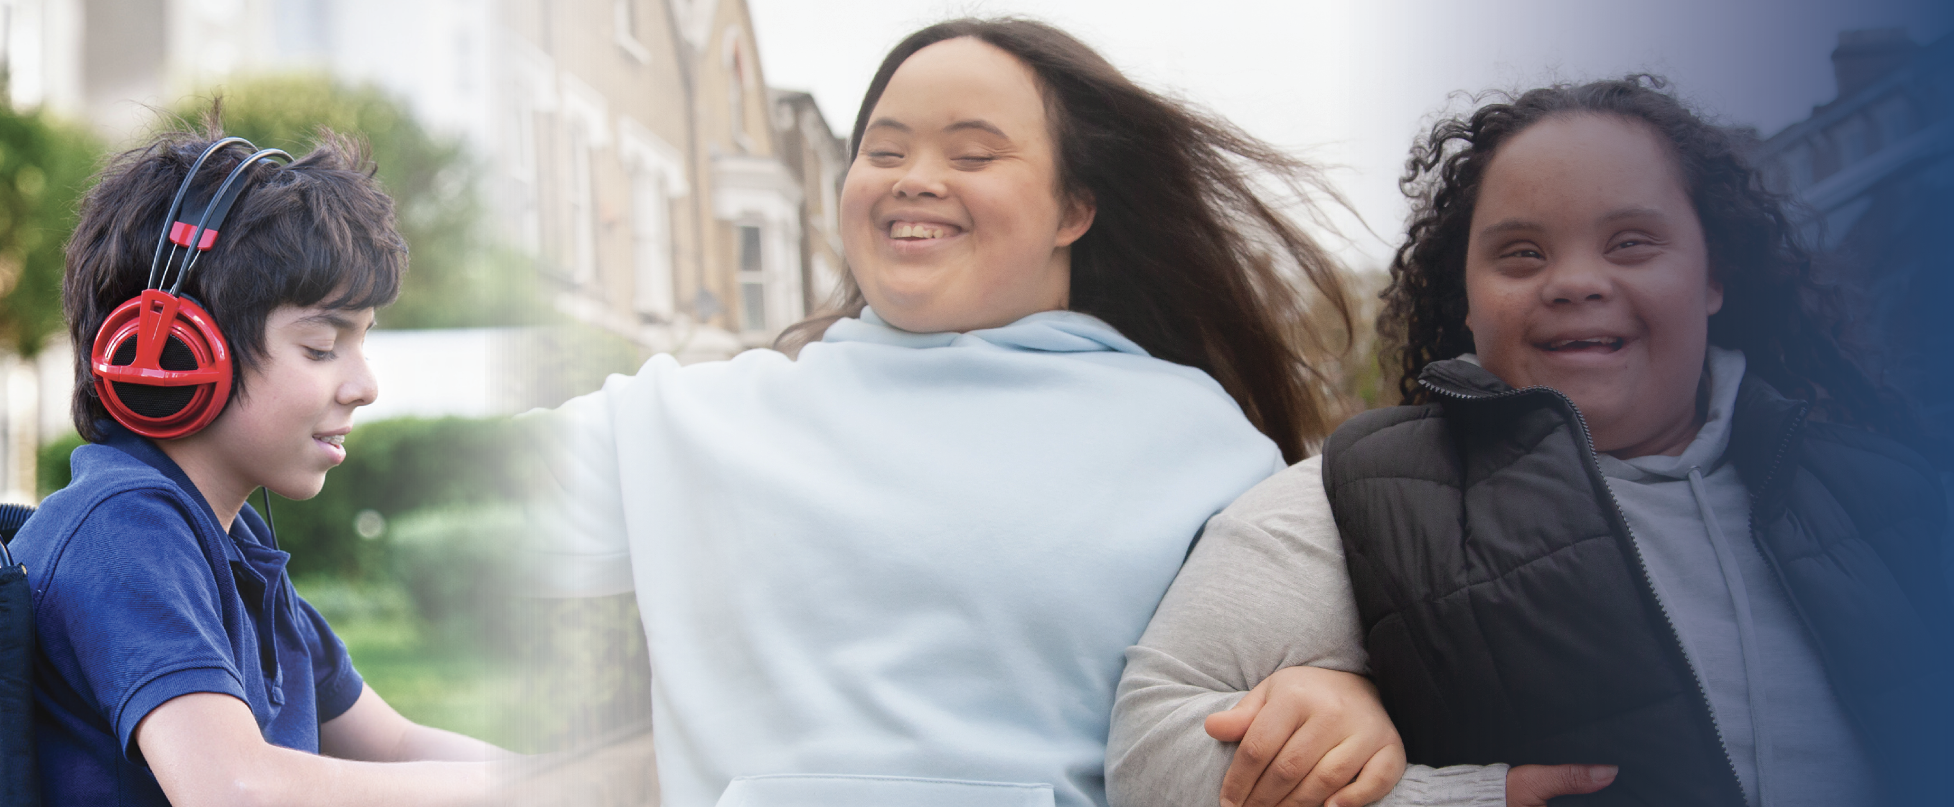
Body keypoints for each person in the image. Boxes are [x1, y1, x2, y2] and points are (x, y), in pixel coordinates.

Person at [528, 17, 1404, 807]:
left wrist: (1343, 696)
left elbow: (1282, 691)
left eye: (972, 155)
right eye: (883, 151)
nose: (915, 180)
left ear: (1075, 207)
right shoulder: (691, 420)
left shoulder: (1204, 444)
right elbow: (436, 500)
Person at [1111, 75, 1952, 807]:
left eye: (1631, 242)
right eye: (1521, 252)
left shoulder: (1898, 492)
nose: (1578, 281)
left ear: (1714, 277)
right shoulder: (1354, 493)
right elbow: (1150, 755)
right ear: (1467, 298)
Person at [16, 127, 509, 806]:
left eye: (361, 341)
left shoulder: (232, 545)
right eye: (321, 345)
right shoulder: (121, 530)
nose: (364, 385)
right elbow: (235, 787)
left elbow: (393, 742)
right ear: (176, 352)